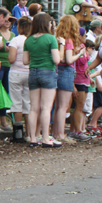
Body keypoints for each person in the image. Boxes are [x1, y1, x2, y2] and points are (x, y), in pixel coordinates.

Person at [23, 13, 61, 148]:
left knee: (33, 108)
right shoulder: (51, 38)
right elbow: (56, 60)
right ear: (47, 24)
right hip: (48, 72)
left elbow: (25, 61)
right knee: (46, 107)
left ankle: (33, 138)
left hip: (33, 73)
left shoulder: (28, 40)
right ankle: (45, 138)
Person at [52, 15, 84, 143]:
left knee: (57, 106)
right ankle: (60, 134)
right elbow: (69, 60)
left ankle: (55, 132)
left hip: (56, 71)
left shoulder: (57, 39)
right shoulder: (69, 41)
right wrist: (79, 54)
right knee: (63, 106)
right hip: (66, 72)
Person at [7, 16, 31, 142]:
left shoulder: (15, 40)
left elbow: (11, 59)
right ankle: (29, 133)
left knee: (16, 103)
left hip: (16, 72)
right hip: (29, 73)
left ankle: (18, 133)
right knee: (27, 103)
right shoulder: (31, 40)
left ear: (19, 27)